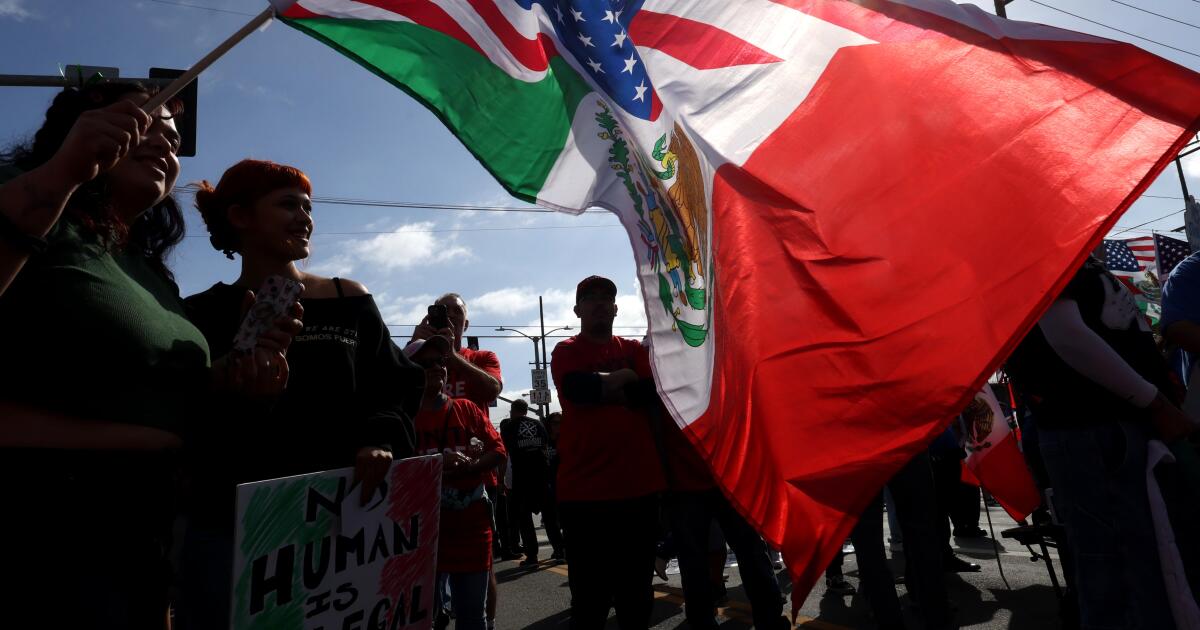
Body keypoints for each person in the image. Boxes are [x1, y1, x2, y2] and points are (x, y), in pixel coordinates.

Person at [0, 83, 298, 629]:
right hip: (38, 541)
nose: (165, 138)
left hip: (141, 549)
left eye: (174, 134)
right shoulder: (19, 194)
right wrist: (65, 170)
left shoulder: (147, 271)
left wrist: (234, 381)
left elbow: (163, 401)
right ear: (81, 123)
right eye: (146, 121)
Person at [179, 159, 422, 628]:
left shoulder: (347, 297)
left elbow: (395, 384)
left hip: (343, 529)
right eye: (288, 204)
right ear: (240, 217)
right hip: (234, 530)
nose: (305, 217)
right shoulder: (200, 313)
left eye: (308, 207)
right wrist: (237, 383)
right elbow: (186, 411)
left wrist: (380, 438)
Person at [1007, 252, 1196, 629]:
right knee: (1118, 570)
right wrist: (1153, 401)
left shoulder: (1074, 256)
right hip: (1092, 430)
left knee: (1144, 561)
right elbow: (1068, 336)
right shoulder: (1040, 252)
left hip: (1116, 429)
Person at [551, 275, 667, 629]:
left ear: (616, 308)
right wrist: (625, 380)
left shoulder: (635, 350)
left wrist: (611, 386)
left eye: (606, 298)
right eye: (590, 298)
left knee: (636, 596)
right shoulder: (566, 350)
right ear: (577, 309)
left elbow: (650, 393)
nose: (600, 303)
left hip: (640, 490)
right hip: (584, 495)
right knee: (590, 599)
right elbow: (579, 390)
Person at [411, 292, 506, 628]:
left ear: (466, 322)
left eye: (456, 312)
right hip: (426, 482)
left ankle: (485, 621)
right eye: (442, 312)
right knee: (427, 566)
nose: (449, 317)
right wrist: (415, 345)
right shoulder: (421, 355)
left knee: (481, 565)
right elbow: (395, 389)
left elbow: (493, 388)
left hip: (475, 480)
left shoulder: (482, 355)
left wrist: (450, 355)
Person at [659, 412, 790, 628]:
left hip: (714, 474)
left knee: (716, 559)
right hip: (703, 476)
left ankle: (768, 619)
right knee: (746, 553)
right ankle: (769, 619)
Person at [499, 398, 564, 565]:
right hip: (542, 476)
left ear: (513, 411)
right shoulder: (539, 425)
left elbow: (504, 448)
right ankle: (559, 550)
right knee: (550, 517)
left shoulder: (508, 427)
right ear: (527, 410)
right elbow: (544, 443)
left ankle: (532, 555)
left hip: (523, 478)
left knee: (525, 519)